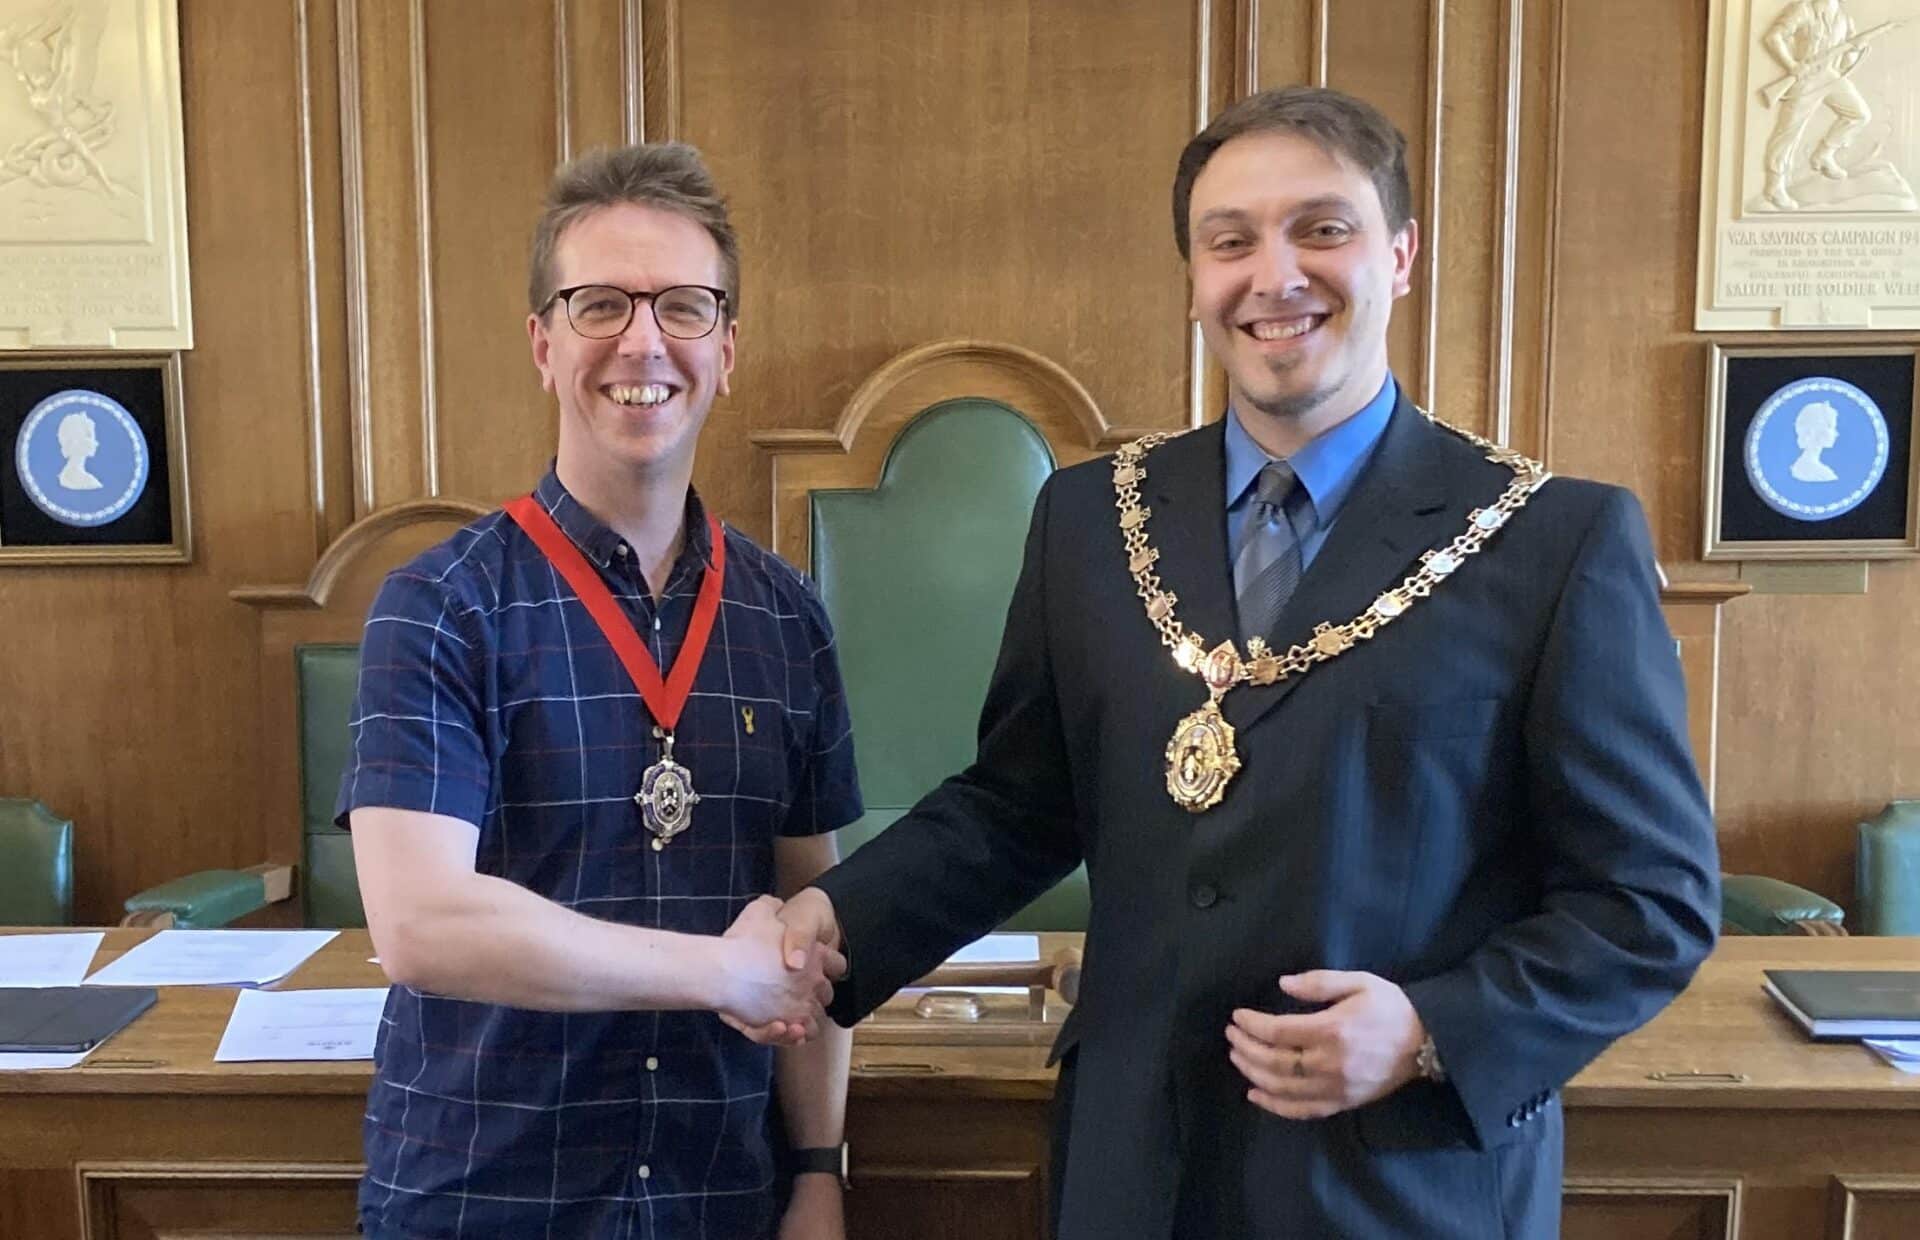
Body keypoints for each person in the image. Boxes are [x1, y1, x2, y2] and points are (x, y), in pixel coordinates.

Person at [773, 86, 1720, 1239]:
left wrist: (1431, 1029)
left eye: (1322, 228)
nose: (1274, 275)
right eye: (1231, 240)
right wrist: (831, 918)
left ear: (1401, 255)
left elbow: (1648, 903)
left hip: (1395, 1187)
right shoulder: (1089, 520)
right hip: (1134, 1171)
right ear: (1193, 278)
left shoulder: (1550, 539)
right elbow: (1020, 807)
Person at [339, 141, 860, 1240]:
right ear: (542, 342)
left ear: (728, 349)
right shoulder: (442, 604)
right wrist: (714, 969)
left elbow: (815, 923)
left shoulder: (786, 616)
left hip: (717, 1193)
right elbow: (424, 923)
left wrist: (818, 1169)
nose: (643, 341)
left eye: (682, 306)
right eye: (599, 305)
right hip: (485, 1192)